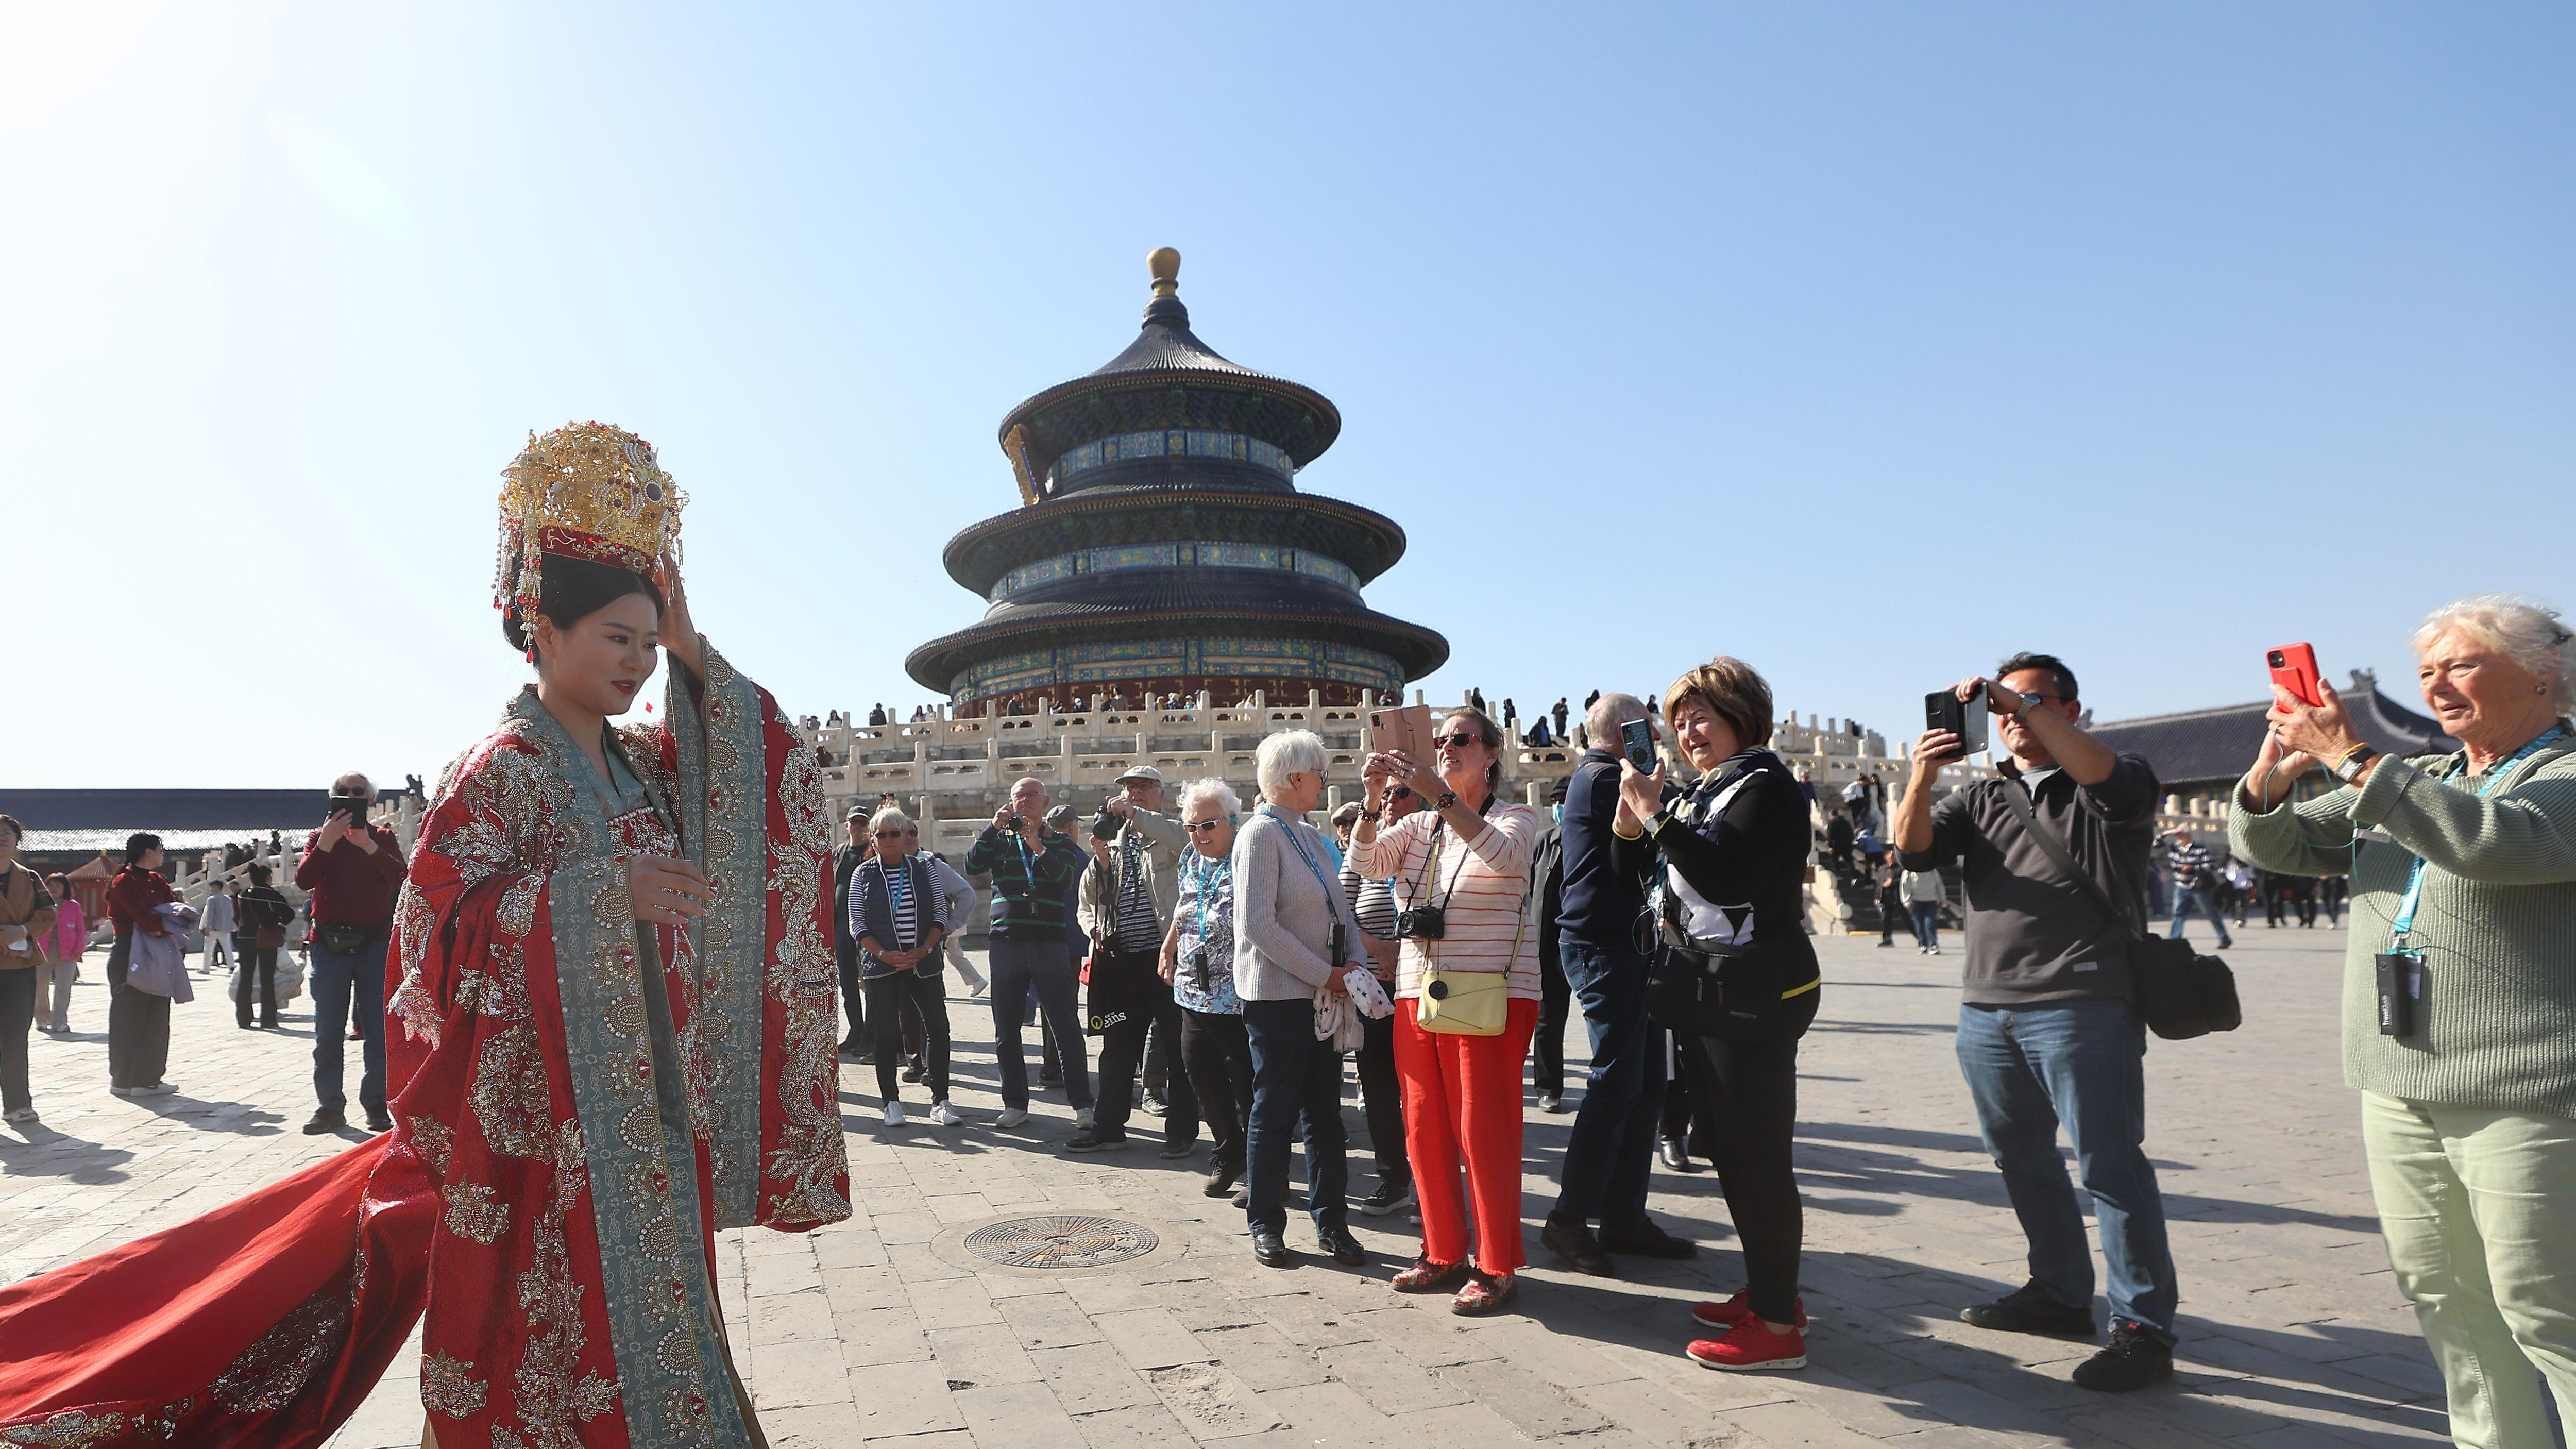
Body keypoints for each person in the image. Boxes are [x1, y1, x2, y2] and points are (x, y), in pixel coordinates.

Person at [2232, 595, 2576, 1448]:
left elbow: (2496, 843)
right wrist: (2274, 770)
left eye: (2461, 663)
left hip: (2520, 1092)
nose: (2437, 685)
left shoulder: (2561, 776)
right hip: (2399, 1083)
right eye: (2427, 671)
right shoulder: (2435, 779)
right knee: (2450, 1303)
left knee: (2549, 1311)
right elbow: (2272, 845)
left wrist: (2351, 757)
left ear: (2546, 672)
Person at [1893, 652, 2178, 1392]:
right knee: (2019, 1157)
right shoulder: (1984, 795)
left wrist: (2019, 704)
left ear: (2070, 710)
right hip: (1988, 1007)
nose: (2013, 719)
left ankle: (2143, 1328)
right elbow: (1913, 848)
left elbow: (2104, 776)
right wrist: (1922, 776)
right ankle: (2057, 1293)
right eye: (2005, 708)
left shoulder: (2116, 779)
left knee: (2111, 1167)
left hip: (2084, 1003)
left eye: (2033, 703)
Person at [1606, 660, 1818, 1371]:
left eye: (1705, 716)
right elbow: (1626, 870)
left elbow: (1727, 876)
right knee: (1727, 1146)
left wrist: (1659, 817)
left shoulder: (1768, 789)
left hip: (1753, 993)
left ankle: (1778, 1327)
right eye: (1682, 719)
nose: (1689, 731)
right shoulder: (1710, 791)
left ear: (1743, 716)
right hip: (1709, 988)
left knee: (1757, 1155)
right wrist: (1633, 822)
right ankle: (1769, 1290)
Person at [1356, 705, 1546, 1314]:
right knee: (1422, 1125)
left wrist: (1439, 798)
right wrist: (1371, 799)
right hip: (1419, 988)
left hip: (1492, 991)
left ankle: (1495, 1263)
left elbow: (1502, 857)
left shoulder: (1516, 816)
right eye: (1438, 740)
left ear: (1491, 753)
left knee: (1482, 1129)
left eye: (1461, 739)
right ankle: (1441, 1248)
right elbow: (1364, 864)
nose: (1446, 748)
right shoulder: (1419, 826)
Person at [1538, 689, 1700, 1277]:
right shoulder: (1605, 775)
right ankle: (1567, 1218)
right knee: (1613, 1082)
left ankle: (1624, 1215)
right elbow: (1672, 817)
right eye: (1647, 727)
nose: (1654, 735)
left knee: (1646, 1083)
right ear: (1624, 730)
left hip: (1629, 942)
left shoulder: (1605, 773)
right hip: (1603, 943)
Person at [1234, 730, 1372, 1270]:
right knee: (1273, 1113)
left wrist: (1354, 961)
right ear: (1295, 779)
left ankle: (1332, 1222)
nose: (1323, 780)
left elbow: (1341, 908)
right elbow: (1257, 926)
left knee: (1324, 1115)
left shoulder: (1312, 836)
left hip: (1323, 993)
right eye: (1318, 771)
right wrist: (1326, 974)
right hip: (1278, 998)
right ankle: (1266, 1222)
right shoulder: (1259, 834)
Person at [1075, 765, 1197, 1156]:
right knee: (1117, 1047)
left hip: (1167, 960)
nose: (1135, 793)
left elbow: (1185, 844)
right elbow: (1087, 901)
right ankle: (1108, 1127)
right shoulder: (1111, 841)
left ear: (1161, 794)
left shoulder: (1174, 832)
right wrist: (1094, 926)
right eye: (1128, 789)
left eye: (1144, 787)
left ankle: (1182, 1130)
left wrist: (1137, 817)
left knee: (1180, 1048)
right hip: (1121, 963)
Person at [967, 776, 1094, 1131]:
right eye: (1018, 796)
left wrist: (1038, 845)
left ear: (1045, 801)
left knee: (1065, 1024)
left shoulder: (1061, 843)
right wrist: (992, 829)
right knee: (1006, 1028)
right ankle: (1015, 1103)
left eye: (1031, 795)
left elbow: (1067, 879)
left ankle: (1083, 1104)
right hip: (1006, 942)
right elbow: (974, 865)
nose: (1024, 801)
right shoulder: (1000, 840)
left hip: (1050, 943)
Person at [295, 773, 406, 1136]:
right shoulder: (318, 837)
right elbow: (304, 881)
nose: (350, 797)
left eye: (358, 793)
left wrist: (367, 845)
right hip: (329, 946)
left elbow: (401, 877)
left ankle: (376, 1104)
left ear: (370, 800)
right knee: (328, 1031)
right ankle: (329, 1107)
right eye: (342, 792)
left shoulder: (383, 837)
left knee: (377, 1030)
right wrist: (327, 841)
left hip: (374, 945)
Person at [1162, 778, 1255, 1201]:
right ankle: (1228, 1151)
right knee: (1197, 1066)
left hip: (1239, 991)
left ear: (1233, 821)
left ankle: (1260, 1165)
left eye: (1208, 825)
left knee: (1247, 1080)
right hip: (1194, 987)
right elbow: (1185, 906)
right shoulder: (1189, 857)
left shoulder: (1248, 854)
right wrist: (1169, 944)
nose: (1199, 835)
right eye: (1191, 827)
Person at [851, 806, 959, 1128]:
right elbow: (857, 923)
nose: (887, 840)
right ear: (873, 838)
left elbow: (941, 912)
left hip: (922, 962)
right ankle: (891, 1103)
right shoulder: (864, 873)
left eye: (894, 834)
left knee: (938, 1027)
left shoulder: (925, 869)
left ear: (905, 835)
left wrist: (925, 948)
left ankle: (941, 1099)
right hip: (882, 965)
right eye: (880, 835)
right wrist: (885, 954)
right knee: (886, 1033)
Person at [1340, 779, 1419, 1216]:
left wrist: (1403, 951)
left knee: (1426, 1091)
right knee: (1379, 1086)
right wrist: (1377, 948)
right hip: (1374, 991)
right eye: (1385, 794)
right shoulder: (1362, 851)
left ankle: (1432, 1184)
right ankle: (1392, 1177)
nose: (1391, 800)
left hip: (1424, 986)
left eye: (1401, 792)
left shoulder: (1432, 845)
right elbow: (1340, 915)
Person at [104, 832, 178, 1098]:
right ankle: (124, 1080)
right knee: (128, 1018)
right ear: (148, 852)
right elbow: (149, 922)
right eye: (160, 849)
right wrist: (166, 922)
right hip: (129, 950)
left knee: (157, 1016)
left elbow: (173, 911)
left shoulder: (157, 880)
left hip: (158, 952)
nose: (162, 854)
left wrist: (169, 918)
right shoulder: (124, 881)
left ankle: (148, 1078)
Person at [0, 816, 58, 1124]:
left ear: (17, 841)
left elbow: (48, 914)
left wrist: (21, 931)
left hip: (19, 965)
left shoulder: (30, 877)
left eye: (8, 833)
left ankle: (18, 1103)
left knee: (14, 1036)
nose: (2, 838)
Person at [1529, 777, 1572, 1113]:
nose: (1560, 805)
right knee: (1548, 1021)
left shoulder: (1597, 842)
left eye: (1565, 799)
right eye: (1555, 800)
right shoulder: (1544, 843)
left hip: (1587, 945)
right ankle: (1548, 1087)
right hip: (1548, 946)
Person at [834, 807, 876, 1060]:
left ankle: (871, 1034)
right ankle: (855, 1031)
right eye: (855, 823)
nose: (859, 828)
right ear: (847, 826)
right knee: (847, 981)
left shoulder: (873, 851)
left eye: (863, 823)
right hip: (841, 926)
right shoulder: (839, 853)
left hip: (866, 926)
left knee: (871, 980)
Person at [234, 862, 292, 1030]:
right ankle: (268, 1019)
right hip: (267, 938)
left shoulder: (243, 895)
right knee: (268, 979)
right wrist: (277, 924)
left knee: (245, 978)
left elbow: (238, 916)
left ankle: (244, 1019)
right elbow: (288, 913)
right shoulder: (271, 894)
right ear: (268, 877)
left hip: (245, 938)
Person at [2159, 828, 2233, 949]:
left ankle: (2224, 938)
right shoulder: (2173, 848)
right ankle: (2174, 939)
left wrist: (2192, 868)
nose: (2179, 837)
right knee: (2178, 913)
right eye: (2178, 835)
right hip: (2181, 886)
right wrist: (2167, 833)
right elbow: (2156, 845)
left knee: (2211, 913)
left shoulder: (2200, 848)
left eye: (2182, 834)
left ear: (2188, 835)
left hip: (2198, 887)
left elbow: (2211, 865)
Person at [38, 871, 85, 1035]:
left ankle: (60, 1021)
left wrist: (79, 949)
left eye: (58, 885)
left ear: (65, 888)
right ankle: (42, 1018)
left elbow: (80, 929)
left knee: (63, 988)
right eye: (50, 885)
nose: (54, 889)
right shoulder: (39, 904)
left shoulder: (74, 906)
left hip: (67, 951)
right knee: (40, 987)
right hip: (42, 950)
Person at [1902, 860, 1947, 955]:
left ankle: (1934, 945)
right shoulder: (1909, 872)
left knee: (1929, 924)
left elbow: (1939, 885)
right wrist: (1907, 902)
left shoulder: (1932, 871)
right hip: (1915, 902)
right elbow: (1905, 887)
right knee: (1919, 925)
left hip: (1931, 901)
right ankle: (1923, 945)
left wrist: (1942, 898)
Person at [197, 877, 237, 980]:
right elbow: (232, 914)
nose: (210, 889)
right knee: (227, 948)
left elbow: (210, 914)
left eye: (211, 887)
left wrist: (207, 927)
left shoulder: (212, 899)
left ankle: (206, 969)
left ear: (216, 887)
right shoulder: (228, 899)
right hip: (225, 927)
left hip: (213, 928)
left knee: (208, 949)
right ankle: (231, 966)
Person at [1876, 853, 1908, 949]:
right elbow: (1879, 883)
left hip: (1898, 897)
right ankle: (1887, 939)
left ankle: (1922, 938)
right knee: (1886, 919)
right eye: (1891, 856)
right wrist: (1877, 896)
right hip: (1886, 898)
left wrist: (1893, 881)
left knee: (1908, 919)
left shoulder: (1901, 868)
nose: (1893, 858)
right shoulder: (1882, 869)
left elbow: (1905, 881)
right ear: (1886, 857)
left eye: (1894, 857)